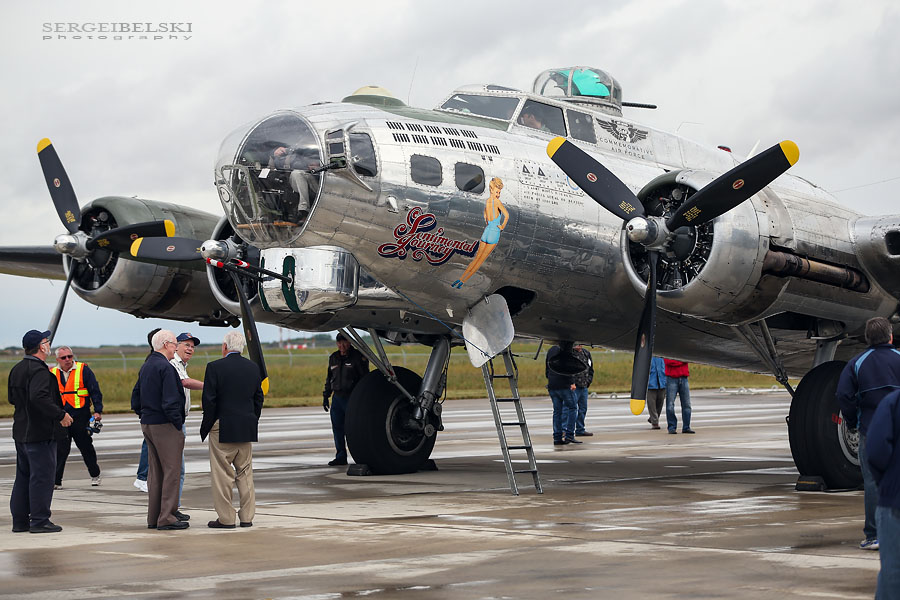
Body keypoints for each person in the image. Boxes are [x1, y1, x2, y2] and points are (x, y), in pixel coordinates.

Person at [836, 316, 900, 551]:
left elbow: (843, 395)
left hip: (870, 429)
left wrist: (852, 420)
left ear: (867, 338)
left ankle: (874, 535)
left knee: (872, 482)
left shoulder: (857, 363)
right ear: (890, 336)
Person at [8, 329, 73, 533]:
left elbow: (12, 399)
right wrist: (60, 415)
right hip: (39, 433)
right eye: (46, 341)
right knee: (42, 477)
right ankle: (39, 520)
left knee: (24, 477)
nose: (49, 343)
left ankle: (20, 521)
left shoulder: (17, 369)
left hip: (22, 432)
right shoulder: (39, 371)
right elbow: (39, 398)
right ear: (40, 347)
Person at [199, 331, 264, 529]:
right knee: (245, 473)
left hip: (222, 427)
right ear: (242, 347)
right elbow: (258, 398)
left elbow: (208, 401)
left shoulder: (214, 367)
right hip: (245, 426)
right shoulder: (253, 368)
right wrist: (252, 419)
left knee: (222, 475)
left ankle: (226, 518)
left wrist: (208, 425)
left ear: (225, 346)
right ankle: (247, 517)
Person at [131, 329, 189, 531]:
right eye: (174, 343)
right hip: (165, 424)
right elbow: (171, 400)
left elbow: (135, 396)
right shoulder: (166, 367)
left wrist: (143, 414)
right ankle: (167, 517)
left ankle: (154, 516)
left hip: (148, 422)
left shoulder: (147, 365)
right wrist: (177, 424)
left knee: (155, 473)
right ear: (166, 344)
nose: (176, 347)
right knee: (172, 472)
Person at [51, 345, 103, 489]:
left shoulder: (83, 369)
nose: (67, 360)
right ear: (57, 359)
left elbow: (95, 391)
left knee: (86, 447)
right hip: (61, 417)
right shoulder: (52, 373)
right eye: (64, 357)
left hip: (80, 415)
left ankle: (95, 475)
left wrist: (97, 411)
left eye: (70, 356)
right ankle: (56, 481)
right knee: (61, 449)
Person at [866, 388, 900, 598]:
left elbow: (876, 450)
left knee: (893, 573)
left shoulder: (893, 402)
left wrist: (887, 482)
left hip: (895, 500)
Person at [452, 177, 508, 289]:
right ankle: (462, 282)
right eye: (497, 192)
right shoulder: (497, 202)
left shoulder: (487, 202)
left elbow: (485, 216)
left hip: (486, 231)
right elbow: (507, 215)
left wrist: (488, 222)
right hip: (494, 233)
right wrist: (502, 226)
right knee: (480, 261)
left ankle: (460, 278)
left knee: (476, 259)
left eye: (499, 192)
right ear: (492, 190)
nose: (498, 194)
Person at [322, 332, 369, 466]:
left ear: (349, 343)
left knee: (353, 429)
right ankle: (341, 456)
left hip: (352, 398)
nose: (342, 345)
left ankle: (361, 456)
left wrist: (362, 398)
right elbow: (329, 378)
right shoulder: (333, 358)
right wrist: (326, 396)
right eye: (339, 342)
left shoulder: (358, 358)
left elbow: (364, 378)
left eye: (344, 342)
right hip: (337, 398)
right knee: (337, 429)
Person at [170, 332, 203, 520]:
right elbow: (185, 382)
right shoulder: (174, 363)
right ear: (176, 346)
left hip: (179, 420)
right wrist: (210, 385)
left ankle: (174, 507)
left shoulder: (181, 364)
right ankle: (172, 509)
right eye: (186, 345)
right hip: (175, 422)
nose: (190, 349)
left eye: (192, 346)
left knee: (177, 468)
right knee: (177, 468)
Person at [134, 327, 161, 493]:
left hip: (148, 412)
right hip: (153, 413)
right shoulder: (155, 362)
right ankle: (142, 476)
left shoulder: (149, 361)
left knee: (150, 445)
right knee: (149, 445)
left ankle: (145, 476)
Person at [546, 344, 580, 446]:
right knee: (573, 408)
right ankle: (569, 434)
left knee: (557, 411)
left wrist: (550, 379)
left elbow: (547, 369)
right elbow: (568, 367)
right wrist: (572, 381)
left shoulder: (551, 350)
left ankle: (557, 437)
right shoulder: (565, 349)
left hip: (552, 384)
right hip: (564, 385)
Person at [664, 359, 694, 434]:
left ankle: (686, 427)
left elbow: (687, 358)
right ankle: (671, 427)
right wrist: (681, 362)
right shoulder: (667, 350)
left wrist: (678, 361)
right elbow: (668, 362)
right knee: (670, 405)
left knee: (687, 405)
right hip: (671, 378)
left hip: (684, 378)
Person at [572, 344, 594, 437]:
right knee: (571, 408)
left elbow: (591, 369)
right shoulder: (571, 354)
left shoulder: (586, 353)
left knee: (583, 409)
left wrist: (589, 381)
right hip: (574, 387)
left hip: (584, 386)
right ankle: (565, 429)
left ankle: (580, 429)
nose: (579, 345)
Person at [646, 357, 667, 430]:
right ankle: (655, 422)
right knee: (651, 404)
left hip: (662, 382)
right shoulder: (647, 356)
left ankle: (653, 418)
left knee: (660, 403)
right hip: (651, 384)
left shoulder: (662, 356)